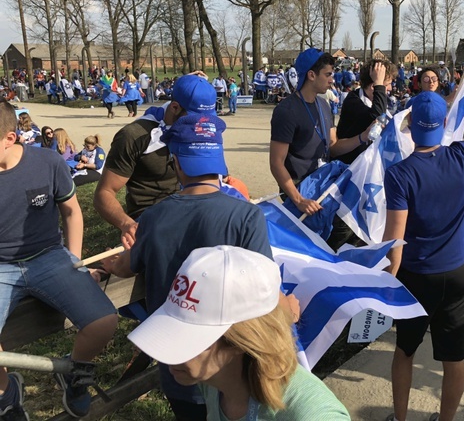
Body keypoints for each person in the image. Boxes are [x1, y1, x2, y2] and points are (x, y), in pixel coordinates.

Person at [101, 113, 292, 421]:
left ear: (176, 162)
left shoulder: (153, 217)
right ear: (218, 160)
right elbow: (264, 286)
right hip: (230, 362)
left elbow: (127, 266)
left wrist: (111, 265)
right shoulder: (246, 216)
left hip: (177, 363)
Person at [382, 63, 464, 421]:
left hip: (416, 275)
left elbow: (395, 238)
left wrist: (388, 276)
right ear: (443, 123)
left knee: (404, 350)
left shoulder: (400, 174)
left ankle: (401, 418)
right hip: (455, 272)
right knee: (454, 357)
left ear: (410, 125)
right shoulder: (463, 156)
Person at [126, 246, 350, 420]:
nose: (166, 354)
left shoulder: (312, 413)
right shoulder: (214, 380)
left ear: (241, 341)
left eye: (188, 339)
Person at [0, 99, 117, 419]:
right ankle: (6, 394)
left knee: (104, 320)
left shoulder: (47, 162)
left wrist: (74, 262)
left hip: (49, 255)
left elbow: (72, 212)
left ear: (10, 139)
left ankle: (74, 372)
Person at [94, 74, 217, 250]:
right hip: (151, 217)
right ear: (174, 107)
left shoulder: (203, 128)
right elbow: (104, 193)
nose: (200, 124)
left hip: (192, 207)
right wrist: (126, 224)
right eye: (194, 118)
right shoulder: (134, 136)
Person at [269, 48, 371, 217]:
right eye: (328, 74)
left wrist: (362, 137)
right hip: (300, 191)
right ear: (311, 75)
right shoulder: (286, 110)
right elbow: (276, 163)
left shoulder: (323, 105)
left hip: (323, 184)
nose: (332, 80)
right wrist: (299, 200)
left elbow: (333, 146)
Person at [335, 60, 391, 164]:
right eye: (387, 85)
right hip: (350, 166)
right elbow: (379, 117)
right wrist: (379, 84)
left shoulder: (373, 100)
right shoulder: (353, 101)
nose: (390, 88)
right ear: (373, 87)